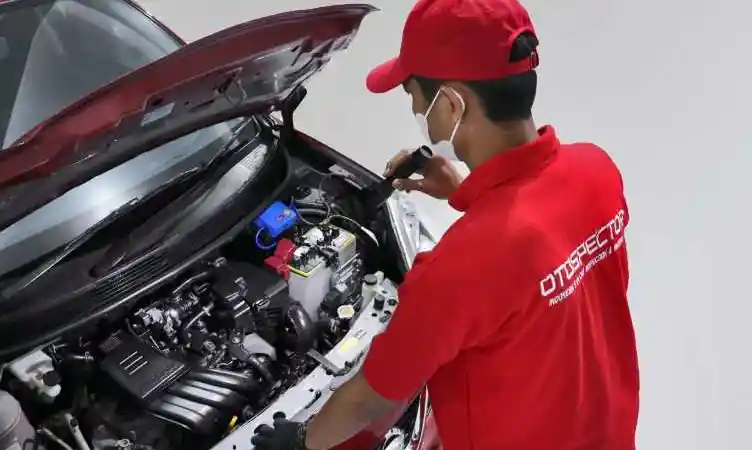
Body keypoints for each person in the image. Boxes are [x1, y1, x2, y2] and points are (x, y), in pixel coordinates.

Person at [251, 0, 640, 448]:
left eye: (413, 94)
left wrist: (300, 441)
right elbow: (537, 252)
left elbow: (369, 399)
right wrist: (466, 192)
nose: (416, 108)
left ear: (452, 106)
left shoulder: (459, 267)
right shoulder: (596, 170)